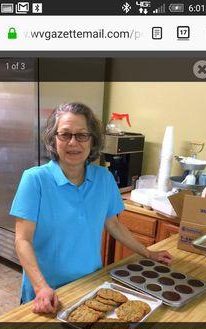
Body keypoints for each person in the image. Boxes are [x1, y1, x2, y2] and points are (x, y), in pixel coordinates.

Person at [10, 102, 172, 314]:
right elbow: (22, 240)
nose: (73, 143)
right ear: (53, 139)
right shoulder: (35, 180)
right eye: (65, 134)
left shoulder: (104, 178)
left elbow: (113, 224)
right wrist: (41, 287)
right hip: (47, 292)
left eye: (82, 135)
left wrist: (148, 253)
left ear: (92, 140)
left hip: (90, 285)